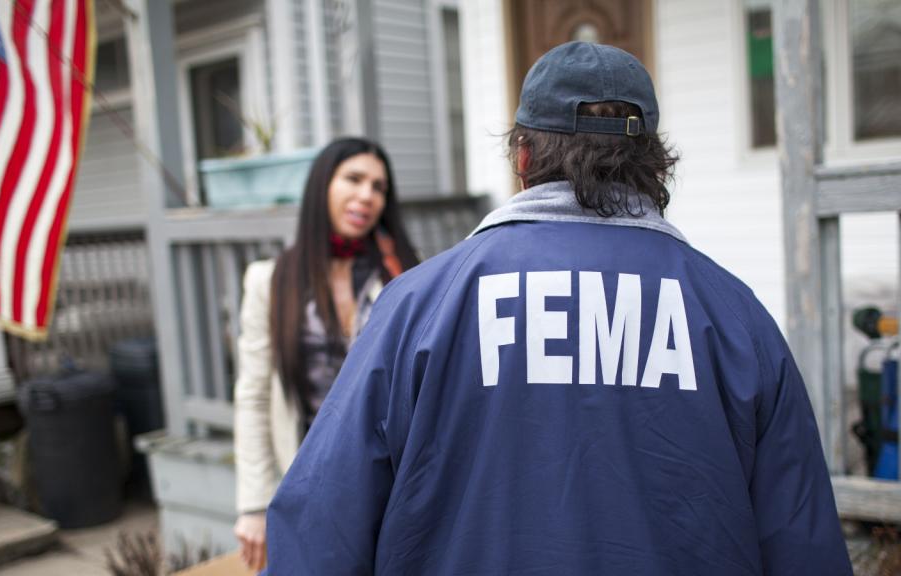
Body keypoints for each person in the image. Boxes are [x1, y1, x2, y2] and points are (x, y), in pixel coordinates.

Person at [265, 42, 853, 575]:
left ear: (522, 157)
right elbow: (804, 548)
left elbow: (319, 531)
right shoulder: (735, 315)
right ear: (653, 162)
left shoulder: (419, 304)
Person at [232, 137, 419, 571]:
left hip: (390, 487)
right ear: (322, 187)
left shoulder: (406, 275)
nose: (367, 196)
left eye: (378, 187)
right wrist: (255, 503)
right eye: (353, 179)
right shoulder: (269, 281)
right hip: (304, 483)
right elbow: (255, 395)